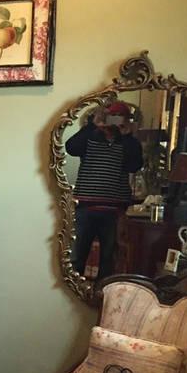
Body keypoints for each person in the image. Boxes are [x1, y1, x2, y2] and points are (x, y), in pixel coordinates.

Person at [65, 101, 143, 280]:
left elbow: (134, 165)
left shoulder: (129, 143)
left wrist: (126, 136)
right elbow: (71, 148)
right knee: (76, 259)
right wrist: (94, 125)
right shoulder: (90, 137)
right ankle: (75, 292)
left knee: (109, 261)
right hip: (85, 206)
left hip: (114, 210)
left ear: (126, 119)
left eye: (119, 117)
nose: (114, 121)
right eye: (111, 116)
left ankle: (103, 294)